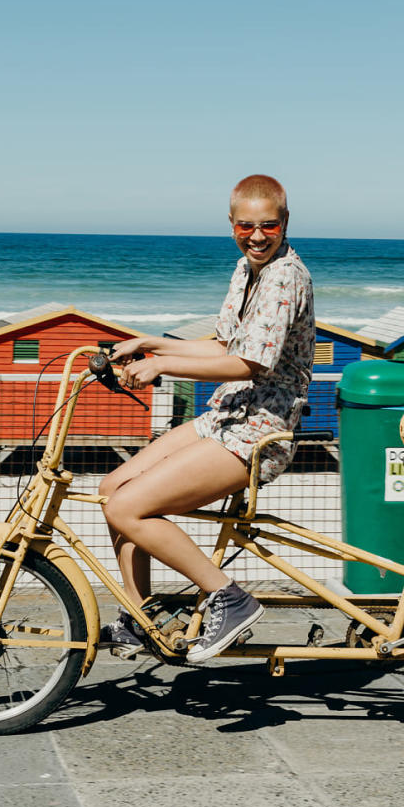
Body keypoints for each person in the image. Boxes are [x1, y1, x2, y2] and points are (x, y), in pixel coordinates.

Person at [98, 174, 315, 662]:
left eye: (268, 226)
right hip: (226, 413)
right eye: (246, 226)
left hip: (261, 430)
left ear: (285, 222)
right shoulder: (246, 270)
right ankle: (141, 618)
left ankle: (230, 599)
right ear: (233, 224)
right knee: (113, 489)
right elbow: (221, 345)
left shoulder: (285, 276)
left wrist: (160, 366)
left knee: (127, 509)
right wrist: (149, 343)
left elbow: (249, 363)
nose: (257, 236)